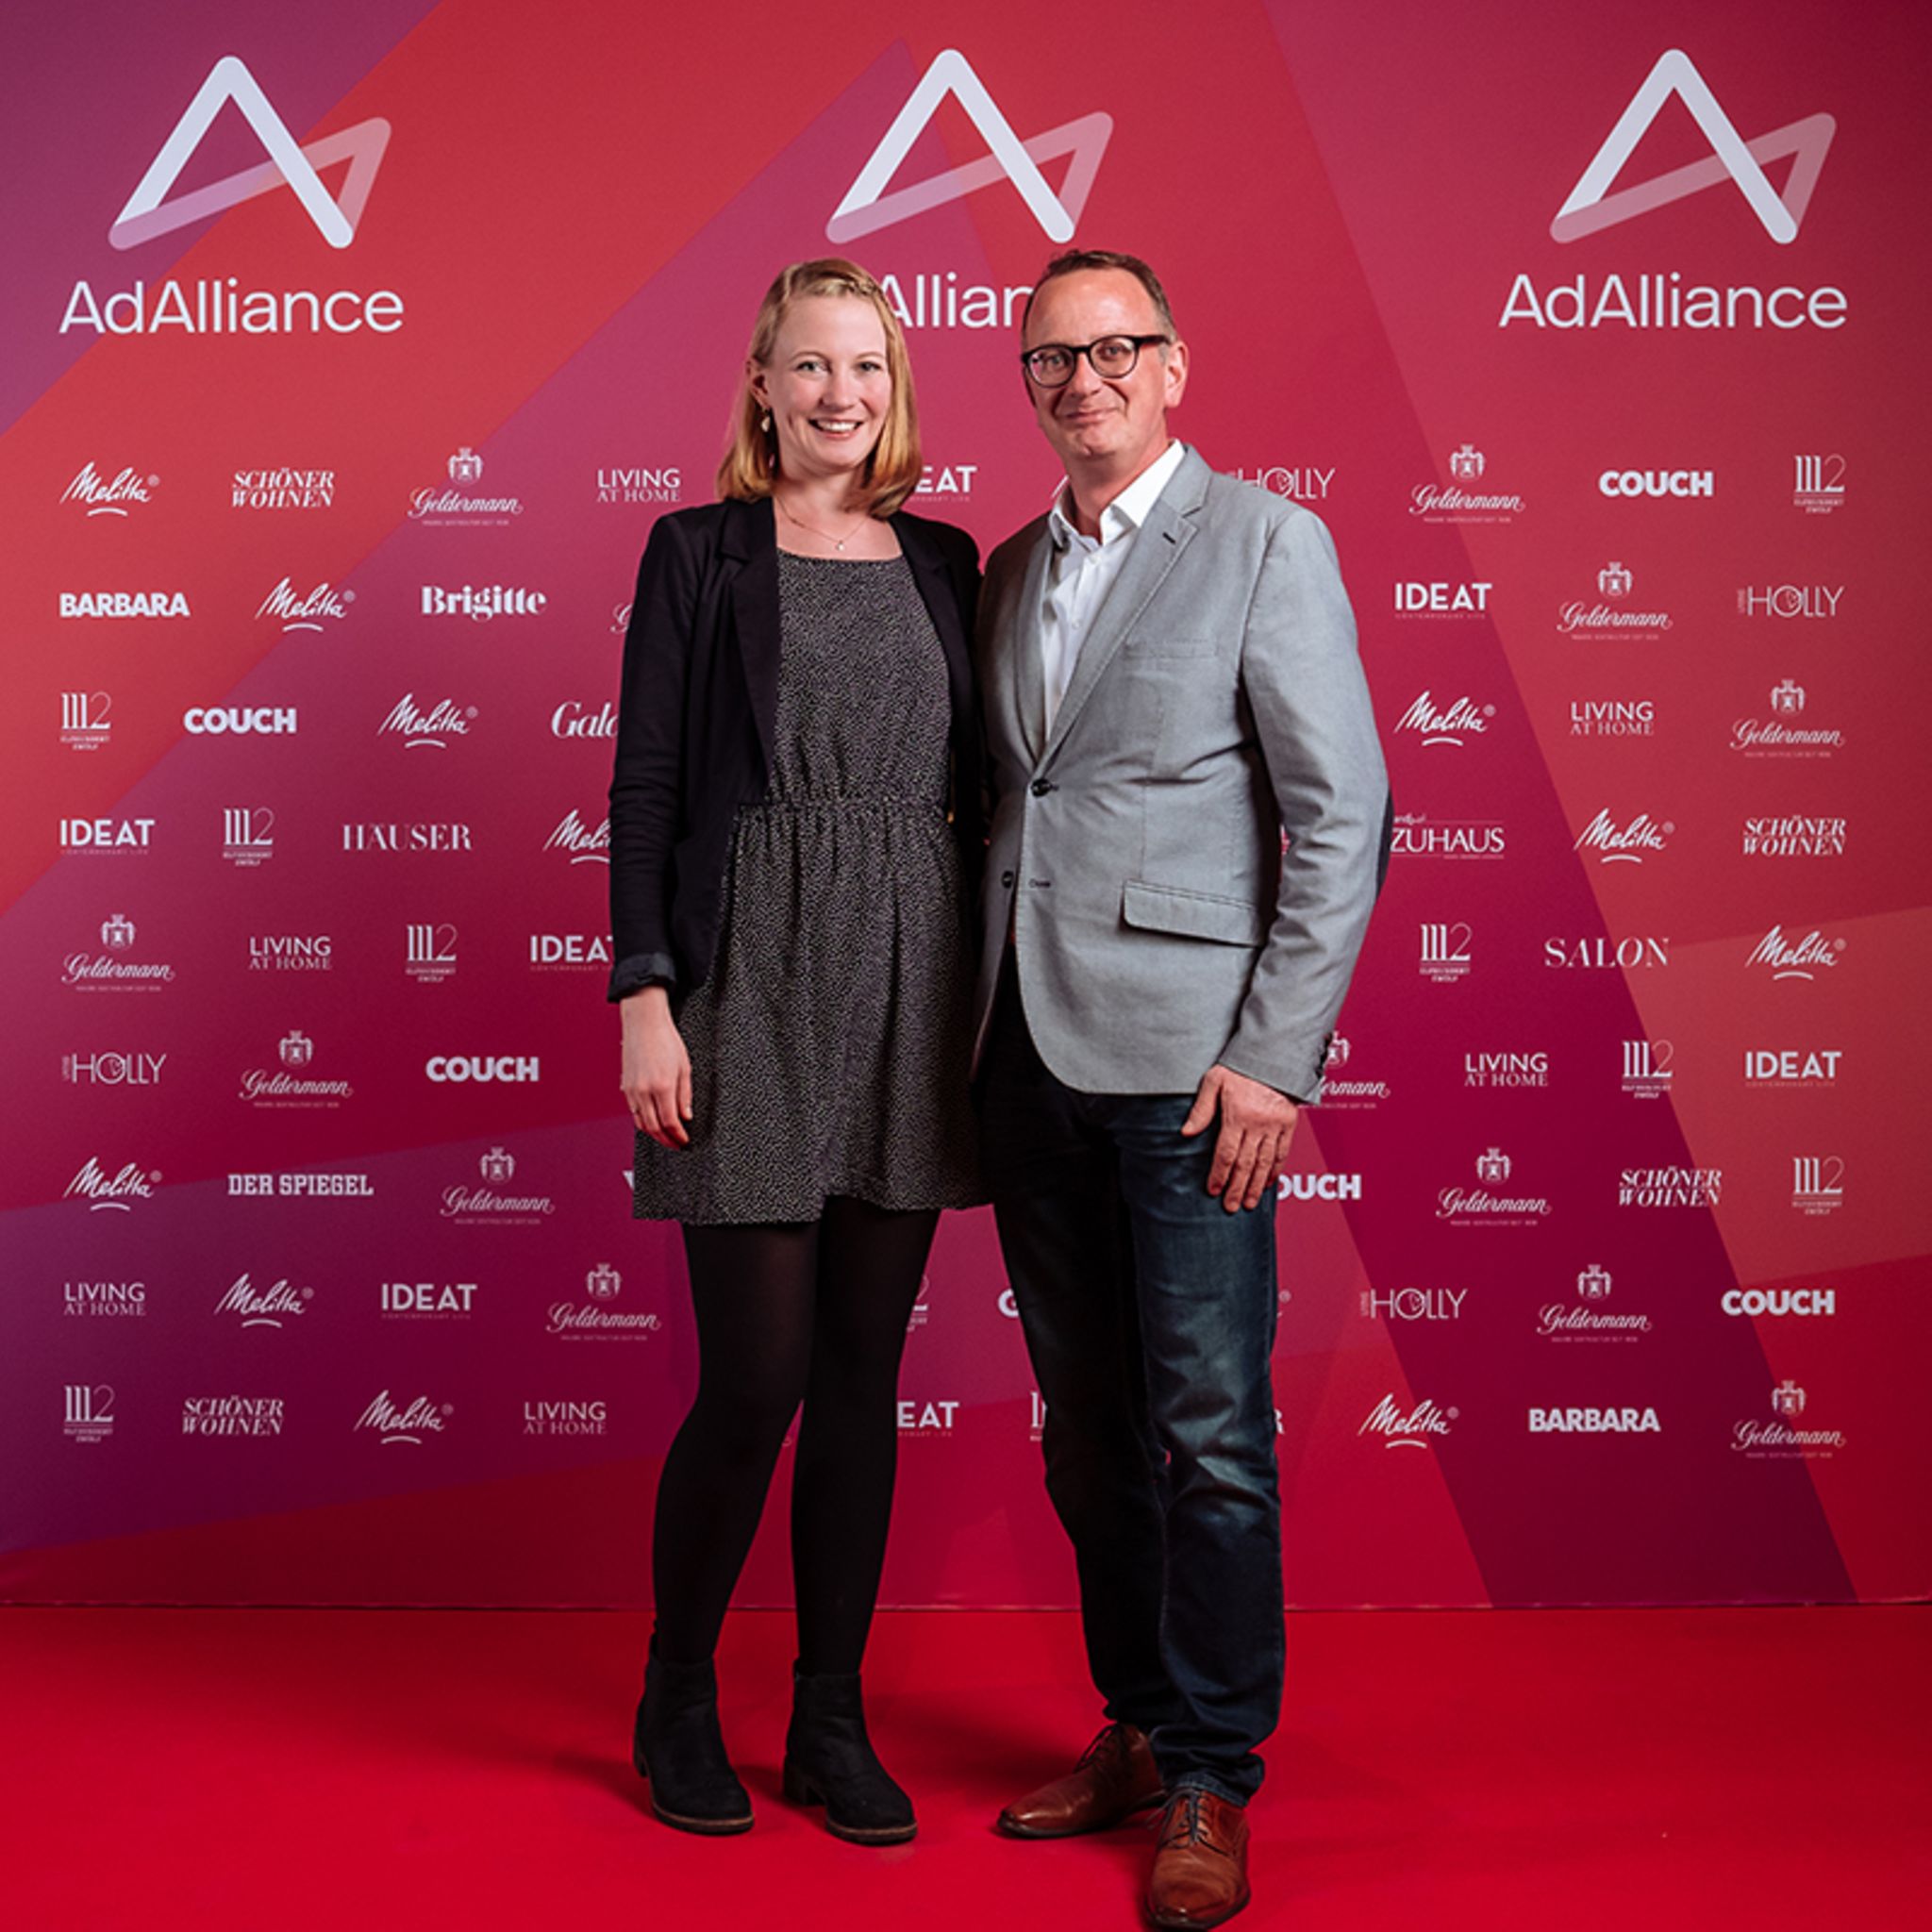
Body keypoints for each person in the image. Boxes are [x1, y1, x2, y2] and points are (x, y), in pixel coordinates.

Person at [974, 250, 1389, 1928]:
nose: (1083, 380)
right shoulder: (1009, 567)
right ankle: (1141, 1726)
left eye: (1115, 348)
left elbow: (1340, 813)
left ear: (1173, 365)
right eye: (1051, 359)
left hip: (1193, 1076)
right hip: (1025, 1059)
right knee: (1086, 1436)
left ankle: (1216, 1772)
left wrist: (1276, 1059)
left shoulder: (1268, 541)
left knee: (1209, 1434)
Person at [606, 258, 982, 1845]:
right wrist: (645, 995)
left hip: (913, 972)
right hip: (748, 973)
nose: (843, 394)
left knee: (859, 1378)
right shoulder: (698, 553)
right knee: (755, 1378)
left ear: (897, 390)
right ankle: (678, 1697)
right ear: (763, 385)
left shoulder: (951, 560)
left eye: (868, 368)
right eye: (813, 366)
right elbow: (646, 784)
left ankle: (831, 1716)